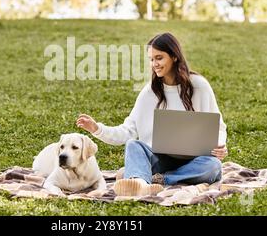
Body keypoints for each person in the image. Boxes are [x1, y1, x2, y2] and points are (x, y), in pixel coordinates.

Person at [76, 32, 228, 196]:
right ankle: (139, 183)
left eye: (159, 58)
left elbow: (218, 127)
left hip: (194, 161)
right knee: (134, 145)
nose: (154, 64)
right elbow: (127, 131)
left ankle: (157, 179)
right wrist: (97, 128)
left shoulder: (198, 86)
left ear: (174, 57)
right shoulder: (149, 92)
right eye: (151, 59)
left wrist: (219, 145)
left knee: (213, 166)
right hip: (159, 160)